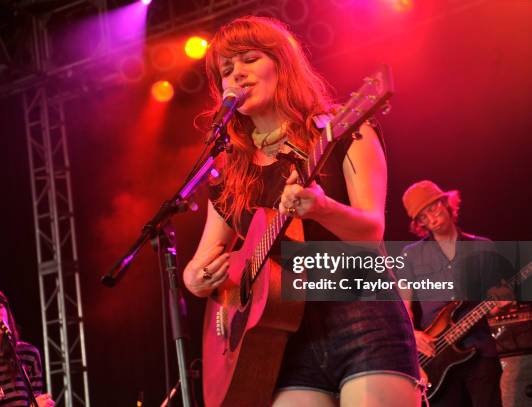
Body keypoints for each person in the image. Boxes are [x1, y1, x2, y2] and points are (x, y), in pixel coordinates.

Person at [182, 16, 421, 406]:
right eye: (227, 70)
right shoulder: (230, 175)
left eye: (249, 60)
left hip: (362, 315)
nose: (237, 75)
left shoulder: (343, 130)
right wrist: (196, 278)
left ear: (282, 63)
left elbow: (371, 231)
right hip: (280, 341)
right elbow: (201, 264)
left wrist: (322, 208)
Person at [399, 180, 513, 406]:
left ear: (446, 203)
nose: (431, 219)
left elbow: (498, 294)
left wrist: (502, 300)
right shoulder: (410, 255)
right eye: (422, 217)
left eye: (432, 209)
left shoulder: (483, 247)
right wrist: (413, 333)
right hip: (435, 358)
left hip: (480, 352)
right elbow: (403, 306)